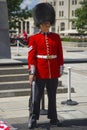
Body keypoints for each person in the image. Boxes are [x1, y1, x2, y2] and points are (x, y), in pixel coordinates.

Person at [28, 3, 64, 129]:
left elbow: (59, 54)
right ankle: (33, 118)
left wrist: (60, 67)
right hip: (40, 71)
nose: (48, 24)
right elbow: (31, 57)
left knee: (52, 97)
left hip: (53, 71)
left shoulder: (56, 37)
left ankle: (53, 118)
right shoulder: (34, 38)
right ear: (40, 24)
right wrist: (32, 72)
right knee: (36, 97)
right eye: (45, 23)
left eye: (49, 22)